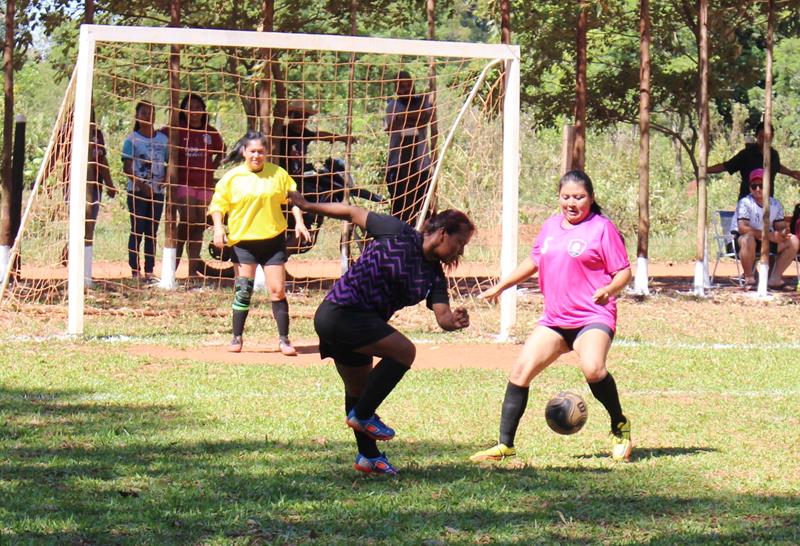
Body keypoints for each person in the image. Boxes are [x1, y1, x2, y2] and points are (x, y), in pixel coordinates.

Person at [291, 194, 474, 475]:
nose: (459, 252)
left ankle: (369, 457)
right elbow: (353, 212)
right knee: (405, 351)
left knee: (359, 390)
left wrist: (455, 320)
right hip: (339, 312)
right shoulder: (398, 232)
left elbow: (443, 318)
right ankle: (364, 415)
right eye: (459, 243)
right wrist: (308, 207)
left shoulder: (434, 275)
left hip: (360, 324)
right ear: (441, 233)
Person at [470, 170, 634, 464]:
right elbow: (534, 260)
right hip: (555, 320)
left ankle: (619, 426)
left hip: (592, 315)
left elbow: (624, 271)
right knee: (520, 372)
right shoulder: (550, 226)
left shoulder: (601, 228)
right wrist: (501, 286)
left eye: (579, 197)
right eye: (566, 197)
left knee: (594, 370)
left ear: (591, 198)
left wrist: (610, 289)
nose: (572, 203)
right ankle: (505, 445)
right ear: (559, 198)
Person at [209, 130, 311, 356]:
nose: (256, 155)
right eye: (252, 151)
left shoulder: (278, 174)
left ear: (267, 153)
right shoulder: (232, 178)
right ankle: (236, 338)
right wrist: (219, 228)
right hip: (243, 243)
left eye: (261, 152)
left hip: (272, 242)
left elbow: (294, 200)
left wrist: (299, 222)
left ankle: (284, 340)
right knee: (243, 291)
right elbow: (217, 206)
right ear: (244, 152)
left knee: (277, 291)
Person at [172, 93, 225, 278]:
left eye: (197, 107)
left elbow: (222, 151)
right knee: (188, 220)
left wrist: (214, 165)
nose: (194, 111)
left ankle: (192, 272)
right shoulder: (176, 130)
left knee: (198, 226)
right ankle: (171, 268)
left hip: (204, 185)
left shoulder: (210, 132)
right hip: (183, 184)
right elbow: (158, 139)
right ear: (183, 111)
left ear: (203, 111)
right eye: (190, 107)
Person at [122, 101, 169, 281]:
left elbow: (169, 163)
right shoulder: (131, 139)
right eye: (143, 113)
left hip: (157, 193)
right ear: (137, 117)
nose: (147, 116)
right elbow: (127, 168)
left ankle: (150, 270)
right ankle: (135, 270)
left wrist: (166, 178)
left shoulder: (163, 140)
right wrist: (142, 186)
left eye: (151, 113)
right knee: (137, 230)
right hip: (137, 192)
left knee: (152, 232)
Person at [729, 168, 799, 289]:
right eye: (753, 186)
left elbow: (779, 225)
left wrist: (784, 231)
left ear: (768, 186)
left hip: (765, 241)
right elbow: (742, 228)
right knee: (748, 239)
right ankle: (749, 278)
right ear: (749, 187)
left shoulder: (775, 204)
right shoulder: (745, 202)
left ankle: (775, 278)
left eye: (761, 185)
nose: (757, 189)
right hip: (741, 240)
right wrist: (769, 235)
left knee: (793, 240)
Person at [384, 70, 434, 224]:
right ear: (396, 89)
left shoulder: (423, 101)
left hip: (421, 166)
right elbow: (394, 126)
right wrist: (409, 117)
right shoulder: (392, 105)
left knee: (422, 209)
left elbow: (423, 119)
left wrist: (405, 117)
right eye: (402, 86)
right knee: (400, 210)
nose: (406, 89)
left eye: (408, 85)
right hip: (398, 165)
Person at [707, 122, 800, 200]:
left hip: (767, 202)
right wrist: (705, 170)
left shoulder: (774, 155)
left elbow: (777, 167)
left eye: (767, 137)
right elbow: (726, 166)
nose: (764, 140)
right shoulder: (746, 154)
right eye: (761, 137)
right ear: (756, 137)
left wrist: (791, 173)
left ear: (772, 137)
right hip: (747, 202)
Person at [274, 99, 354, 179]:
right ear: (290, 115)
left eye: (305, 116)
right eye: (298, 115)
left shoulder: (304, 133)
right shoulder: (282, 131)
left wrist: (340, 138)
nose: (302, 119)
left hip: (298, 176)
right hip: (282, 176)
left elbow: (319, 135)